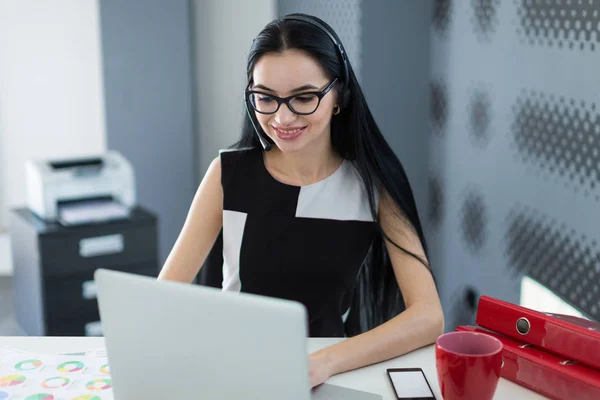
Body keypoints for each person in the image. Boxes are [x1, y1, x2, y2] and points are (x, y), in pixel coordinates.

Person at [158, 13, 444, 388]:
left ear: (338, 95)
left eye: (304, 97)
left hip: (327, 375)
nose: (282, 116)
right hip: (235, 369)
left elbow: (428, 316)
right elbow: (161, 299)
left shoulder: (372, 186)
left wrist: (324, 363)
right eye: (265, 98)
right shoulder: (227, 174)